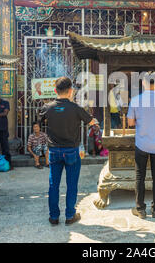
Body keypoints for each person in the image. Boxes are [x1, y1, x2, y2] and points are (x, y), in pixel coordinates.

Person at [39, 77, 94, 226]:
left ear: (55, 91)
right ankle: (70, 216)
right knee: (72, 184)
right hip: (71, 150)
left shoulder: (47, 107)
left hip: (54, 151)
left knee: (53, 185)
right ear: (71, 91)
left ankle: (54, 217)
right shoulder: (75, 108)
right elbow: (91, 121)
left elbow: (39, 122)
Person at [127, 72, 155, 219]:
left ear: (143, 83)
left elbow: (130, 123)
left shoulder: (135, 100)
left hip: (142, 143)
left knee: (140, 176)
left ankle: (140, 209)